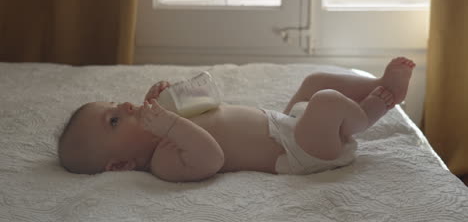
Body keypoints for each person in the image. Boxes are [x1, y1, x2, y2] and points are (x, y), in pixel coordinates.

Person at [58, 57, 415, 182]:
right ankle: (371, 111)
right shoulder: (165, 161)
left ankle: (379, 84)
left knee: (313, 84)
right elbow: (211, 157)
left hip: (286, 123)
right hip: (302, 151)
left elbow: (211, 99)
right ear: (120, 165)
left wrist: (173, 96)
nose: (124, 105)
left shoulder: (167, 121)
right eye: (114, 121)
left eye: (114, 105)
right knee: (324, 102)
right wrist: (169, 125)